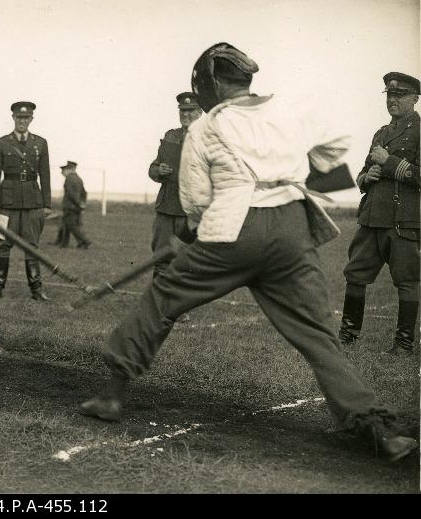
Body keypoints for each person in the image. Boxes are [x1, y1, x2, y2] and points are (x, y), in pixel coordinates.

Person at [78, 43, 418, 462]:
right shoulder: (286, 110)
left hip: (233, 229)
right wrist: (289, 175)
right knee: (317, 334)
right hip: (293, 229)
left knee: (163, 297)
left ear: (212, 84)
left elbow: (196, 202)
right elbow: (333, 153)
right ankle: (380, 431)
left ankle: (111, 396)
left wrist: (188, 233)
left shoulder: (205, 127)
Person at [338, 73, 419, 356]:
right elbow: (362, 172)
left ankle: (403, 344)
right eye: (389, 95)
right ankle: (347, 335)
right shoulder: (380, 133)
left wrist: (389, 161)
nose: (393, 99)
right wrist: (367, 177)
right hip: (372, 217)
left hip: (403, 221)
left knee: (407, 281)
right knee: (355, 273)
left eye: (400, 95)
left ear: (415, 98)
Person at [0, 101, 52, 301]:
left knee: (31, 246)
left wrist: (47, 204)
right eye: (19, 117)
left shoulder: (41, 143)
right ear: (13, 118)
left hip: (33, 203)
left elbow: (45, 175)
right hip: (7, 204)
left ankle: (37, 291)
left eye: (26, 118)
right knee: (3, 245)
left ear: (31, 119)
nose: (22, 121)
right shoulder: (1, 143)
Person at [148, 92, 202, 277]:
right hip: (166, 208)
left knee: (189, 259)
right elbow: (153, 168)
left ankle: (183, 292)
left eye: (190, 110)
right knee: (160, 258)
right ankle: (159, 291)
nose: (185, 114)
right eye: (182, 110)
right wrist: (159, 170)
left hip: (191, 211)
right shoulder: (170, 136)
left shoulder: (208, 138)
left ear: (200, 112)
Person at [58, 161, 91, 249]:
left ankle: (85, 241)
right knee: (67, 224)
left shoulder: (69, 179)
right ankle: (64, 244)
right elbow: (84, 193)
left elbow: (70, 193)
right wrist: (82, 203)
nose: (62, 173)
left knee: (71, 225)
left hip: (70, 206)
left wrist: (78, 203)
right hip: (77, 207)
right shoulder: (79, 179)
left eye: (64, 170)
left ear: (69, 170)